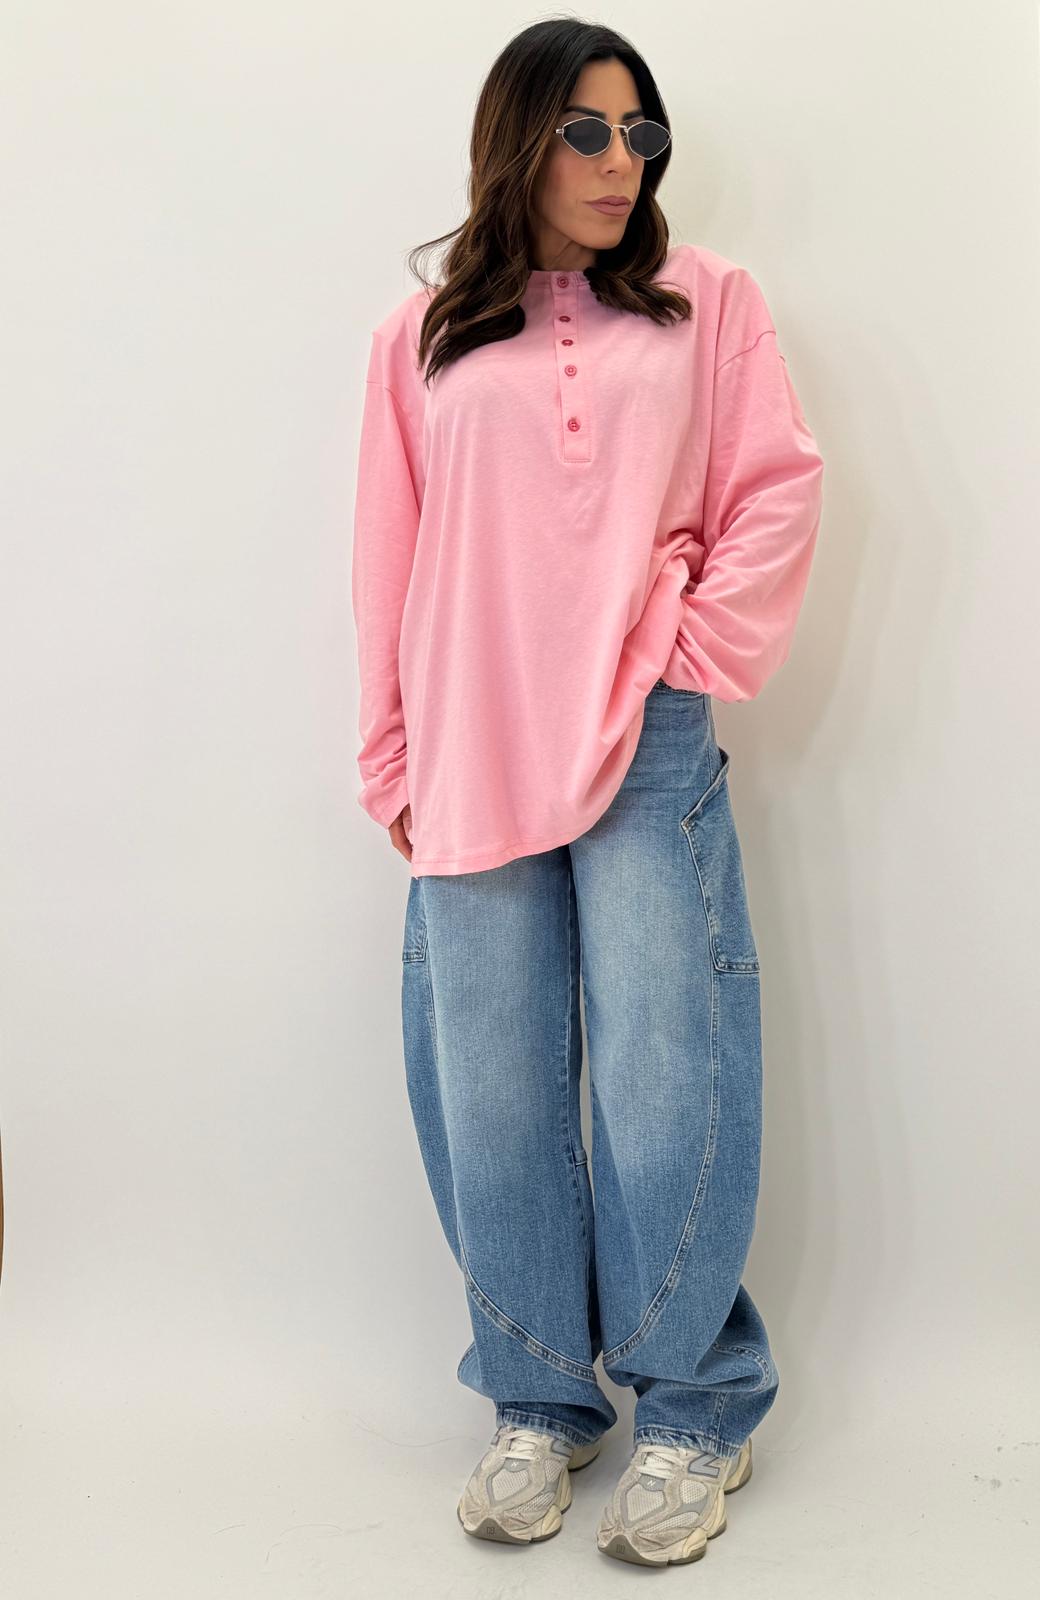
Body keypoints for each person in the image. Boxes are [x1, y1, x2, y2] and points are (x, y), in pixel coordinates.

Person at [351, 19, 824, 1570]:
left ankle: (694, 1405)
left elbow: (775, 489)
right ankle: (540, 1399)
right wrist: (391, 749)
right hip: (469, 742)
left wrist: (684, 658)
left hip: (644, 734)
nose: (624, 163)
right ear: (519, 141)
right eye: (588, 132)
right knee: (488, 1088)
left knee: (667, 1074)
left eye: (642, 134)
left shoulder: (709, 305)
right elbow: (387, 554)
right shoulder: (421, 336)